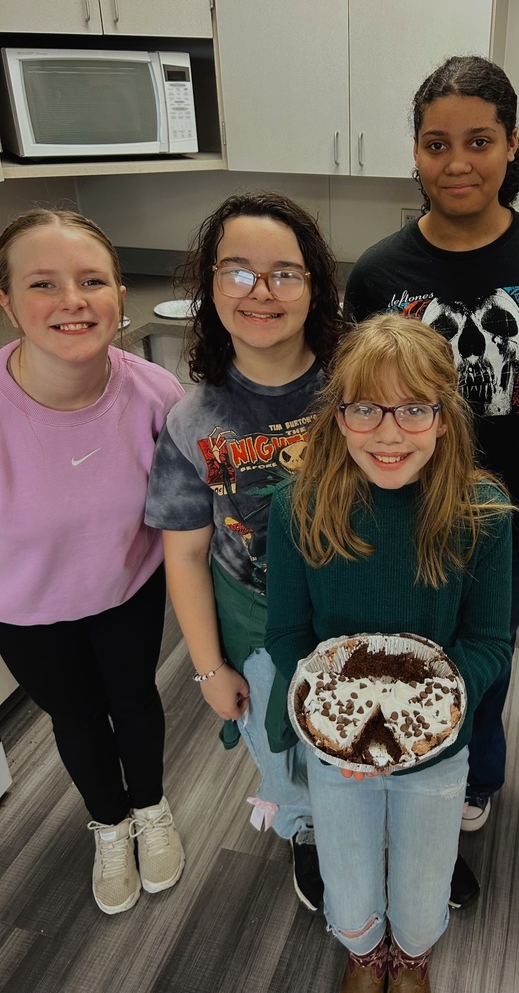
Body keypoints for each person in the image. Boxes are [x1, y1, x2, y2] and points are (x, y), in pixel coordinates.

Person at [344, 55, 519, 899]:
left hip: (518, 520)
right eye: (436, 143)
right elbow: (363, 401)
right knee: (410, 655)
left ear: (512, 144)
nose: (457, 162)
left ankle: (471, 783)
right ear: (414, 153)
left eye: (478, 141)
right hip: (404, 513)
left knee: (482, 662)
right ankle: (397, 779)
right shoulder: (380, 275)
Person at [264, 314, 513, 993]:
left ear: (443, 417)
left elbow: (489, 641)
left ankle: (411, 950)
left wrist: (416, 721)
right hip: (336, 747)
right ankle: (365, 948)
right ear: (339, 416)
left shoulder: (480, 510)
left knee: (427, 867)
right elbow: (286, 635)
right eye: (367, 408)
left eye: (413, 408)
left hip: (437, 743)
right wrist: (347, 729)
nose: (390, 431)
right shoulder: (298, 506)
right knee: (345, 863)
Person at [145, 192, 349, 913]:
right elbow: (186, 556)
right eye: (237, 273)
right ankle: (306, 832)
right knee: (282, 748)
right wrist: (207, 668)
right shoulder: (193, 419)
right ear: (209, 287)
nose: (260, 293)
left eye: (284, 274)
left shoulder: (358, 388)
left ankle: (366, 825)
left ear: (315, 288)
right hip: (256, 627)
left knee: (357, 739)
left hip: (358, 614)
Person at [0, 208, 185, 915]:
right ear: (9, 304)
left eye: (92, 280)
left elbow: (184, 514)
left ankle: (151, 809)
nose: (72, 300)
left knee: (134, 702)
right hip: (22, 606)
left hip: (125, 589)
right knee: (75, 718)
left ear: (119, 297)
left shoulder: (154, 396)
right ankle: (109, 825)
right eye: (43, 283)